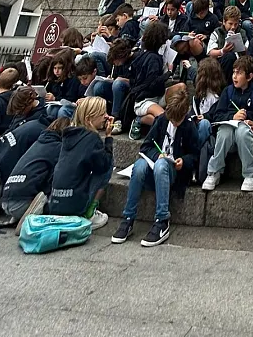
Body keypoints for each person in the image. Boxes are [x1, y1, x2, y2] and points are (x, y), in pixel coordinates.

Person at [111, 86, 198, 247]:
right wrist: (156, 155)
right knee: (139, 166)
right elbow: (146, 147)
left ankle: (162, 220)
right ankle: (128, 218)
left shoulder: (189, 126)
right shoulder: (161, 120)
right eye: (171, 119)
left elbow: (195, 154)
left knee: (161, 165)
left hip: (172, 172)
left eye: (177, 120)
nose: (174, 123)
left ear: (185, 113)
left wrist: (183, 161)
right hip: (155, 167)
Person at [202, 54, 253, 193]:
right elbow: (217, 115)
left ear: (249, 77)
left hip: (246, 135)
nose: (234, 76)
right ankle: (214, 172)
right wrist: (233, 116)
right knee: (224, 131)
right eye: (234, 72)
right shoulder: (228, 91)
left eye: (239, 73)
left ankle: (250, 174)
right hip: (228, 133)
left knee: (243, 131)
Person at [48, 96, 115, 229]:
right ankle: (90, 212)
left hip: (55, 202)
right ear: (89, 119)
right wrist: (108, 138)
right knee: (108, 164)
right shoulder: (92, 138)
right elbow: (104, 164)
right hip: (75, 205)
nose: (106, 117)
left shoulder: (69, 135)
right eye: (102, 114)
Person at [0, 116, 72, 230]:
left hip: (6, 200)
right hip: (23, 202)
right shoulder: (58, 148)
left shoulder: (38, 143)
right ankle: (35, 212)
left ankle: (22, 215)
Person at [128, 20, 169, 139]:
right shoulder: (152, 59)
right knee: (162, 118)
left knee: (180, 88)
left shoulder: (150, 55)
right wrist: (168, 73)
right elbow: (152, 83)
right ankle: (139, 120)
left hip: (156, 96)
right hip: (143, 100)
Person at [45, 53, 82, 120]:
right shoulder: (53, 79)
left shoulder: (73, 79)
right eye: (55, 68)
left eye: (59, 68)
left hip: (72, 106)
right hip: (57, 104)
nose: (56, 71)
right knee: (51, 109)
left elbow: (71, 98)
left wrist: (55, 98)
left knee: (62, 111)